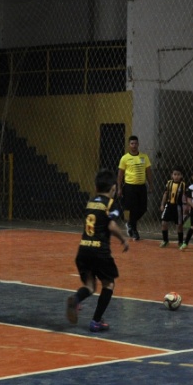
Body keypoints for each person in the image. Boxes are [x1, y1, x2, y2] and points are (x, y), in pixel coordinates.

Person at [66, 169, 130, 333]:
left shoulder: (90, 202)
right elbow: (111, 225)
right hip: (99, 251)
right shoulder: (110, 204)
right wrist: (123, 239)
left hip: (83, 250)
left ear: (96, 188)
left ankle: (77, 298)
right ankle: (96, 321)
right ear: (113, 188)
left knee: (90, 286)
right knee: (108, 284)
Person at [117, 135, 152, 240]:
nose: (134, 146)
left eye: (136, 143)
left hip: (141, 186)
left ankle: (130, 224)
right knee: (133, 209)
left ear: (138, 144)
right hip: (129, 186)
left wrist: (151, 185)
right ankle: (135, 232)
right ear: (129, 145)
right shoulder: (125, 158)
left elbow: (149, 172)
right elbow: (120, 175)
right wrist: (119, 188)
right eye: (132, 143)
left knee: (143, 208)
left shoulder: (144, 157)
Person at [159, 167, 187, 248]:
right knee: (164, 222)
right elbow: (165, 194)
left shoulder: (183, 185)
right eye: (175, 174)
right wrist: (162, 204)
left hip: (178, 206)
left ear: (181, 176)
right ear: (172, 175)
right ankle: (165, 240)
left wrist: (186, 207)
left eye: (178, 175)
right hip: (169, 205)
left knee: (179, 225)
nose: (176, 176)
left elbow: (186, 196)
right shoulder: (169, 183)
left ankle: (180, 242)